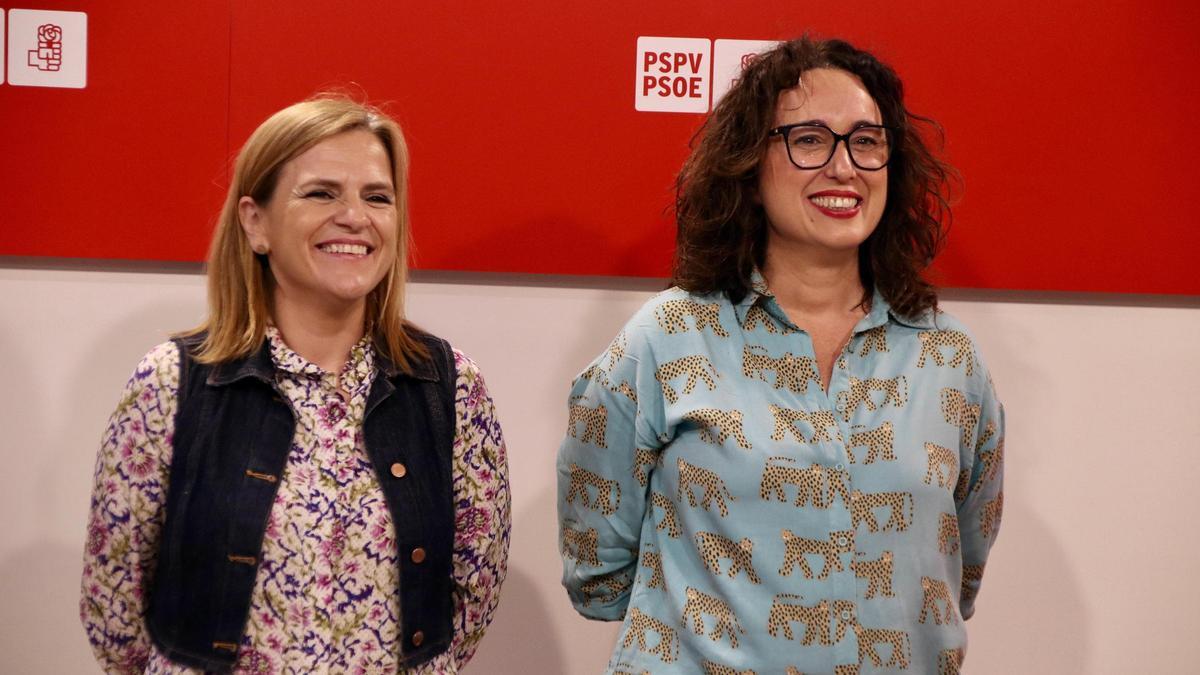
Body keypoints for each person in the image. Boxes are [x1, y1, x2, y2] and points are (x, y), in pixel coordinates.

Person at [557, 37, 1003, 674]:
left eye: (866, 141)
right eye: (810, 139)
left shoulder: (950, 360)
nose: (844, 167)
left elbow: (958, 569)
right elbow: (597, 566)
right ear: (750, 166)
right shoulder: (667, 339)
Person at [80, 95, 510, 674]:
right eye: (322, 192)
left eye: (377, 197)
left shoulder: (448, 386)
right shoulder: (171, 383)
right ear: (255, 222)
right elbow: (114, 604)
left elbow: (471, 594)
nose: (354, 216)